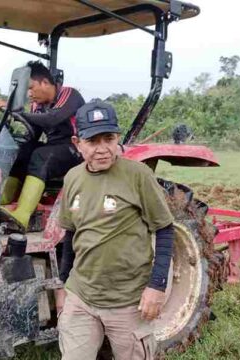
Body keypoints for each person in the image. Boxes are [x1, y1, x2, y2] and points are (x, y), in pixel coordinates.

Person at [55, 99, 175, 360]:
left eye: (108, 139)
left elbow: (165, 229)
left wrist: (157, 286)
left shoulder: (138, 175)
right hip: (82, 297)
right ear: (77, 143)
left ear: (118, 138)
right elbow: (70, 234)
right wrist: (64, 285)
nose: (102, 149)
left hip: (127, 302)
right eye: (93, 141)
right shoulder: (73, 178)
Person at [0, 61, 86, 231]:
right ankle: (4, 199)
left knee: (41, 155)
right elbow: (33, 132)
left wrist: (14, 111)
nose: (29, 94)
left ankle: (23, 214)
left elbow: (52, 119)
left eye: (31, 87)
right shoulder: (37, 105)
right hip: (54, 149)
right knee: (24, 150)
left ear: (45, 83)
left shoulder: (69, 94)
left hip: (76, 149)